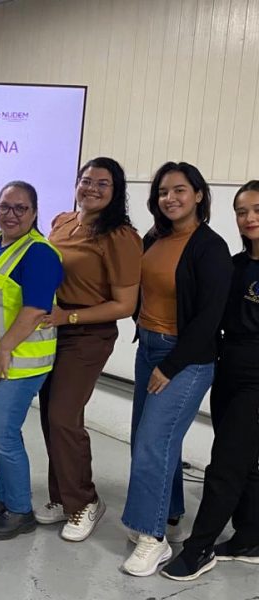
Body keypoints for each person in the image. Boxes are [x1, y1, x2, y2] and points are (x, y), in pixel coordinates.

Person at [120, 162, 231, 576]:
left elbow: (208, 317)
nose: (170, 198)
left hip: (186, 359)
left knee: (153, 444)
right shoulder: (154, 237)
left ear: (199, 194)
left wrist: (171, 364)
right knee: (149, 440)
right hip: (148, 347)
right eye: (163, 191)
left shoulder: (209, 247)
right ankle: (169, 514)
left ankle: (153, 538)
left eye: (180, 190)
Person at [36, 157, 142, 541]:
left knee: (64, 416)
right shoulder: (62, 221)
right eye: (86, 181)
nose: (92, 189)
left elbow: (125, 305)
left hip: (87, 333)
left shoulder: (121, 237)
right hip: (52, 330)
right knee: (50, 414)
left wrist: (71, 319)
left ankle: (84, 502)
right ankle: (62, 498)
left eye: (103, 184)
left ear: (116, 192)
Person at [162, 180, 259, 580]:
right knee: (244, 461)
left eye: (257, 209)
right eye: (241, 211)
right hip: (228, 369)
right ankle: (249, 538)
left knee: (225, 464)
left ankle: (198, 548)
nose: (249, 218)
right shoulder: (236, 265)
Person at [0, 181, 63, 540]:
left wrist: (4, 348)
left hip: (19, 362)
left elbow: (36, 309)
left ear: (35, 213)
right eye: (4, 206)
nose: (11, 214)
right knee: (0, 434)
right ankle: (4, 498)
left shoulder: (39, 253)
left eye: (20, 208)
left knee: (2, 435)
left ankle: (21, 510)